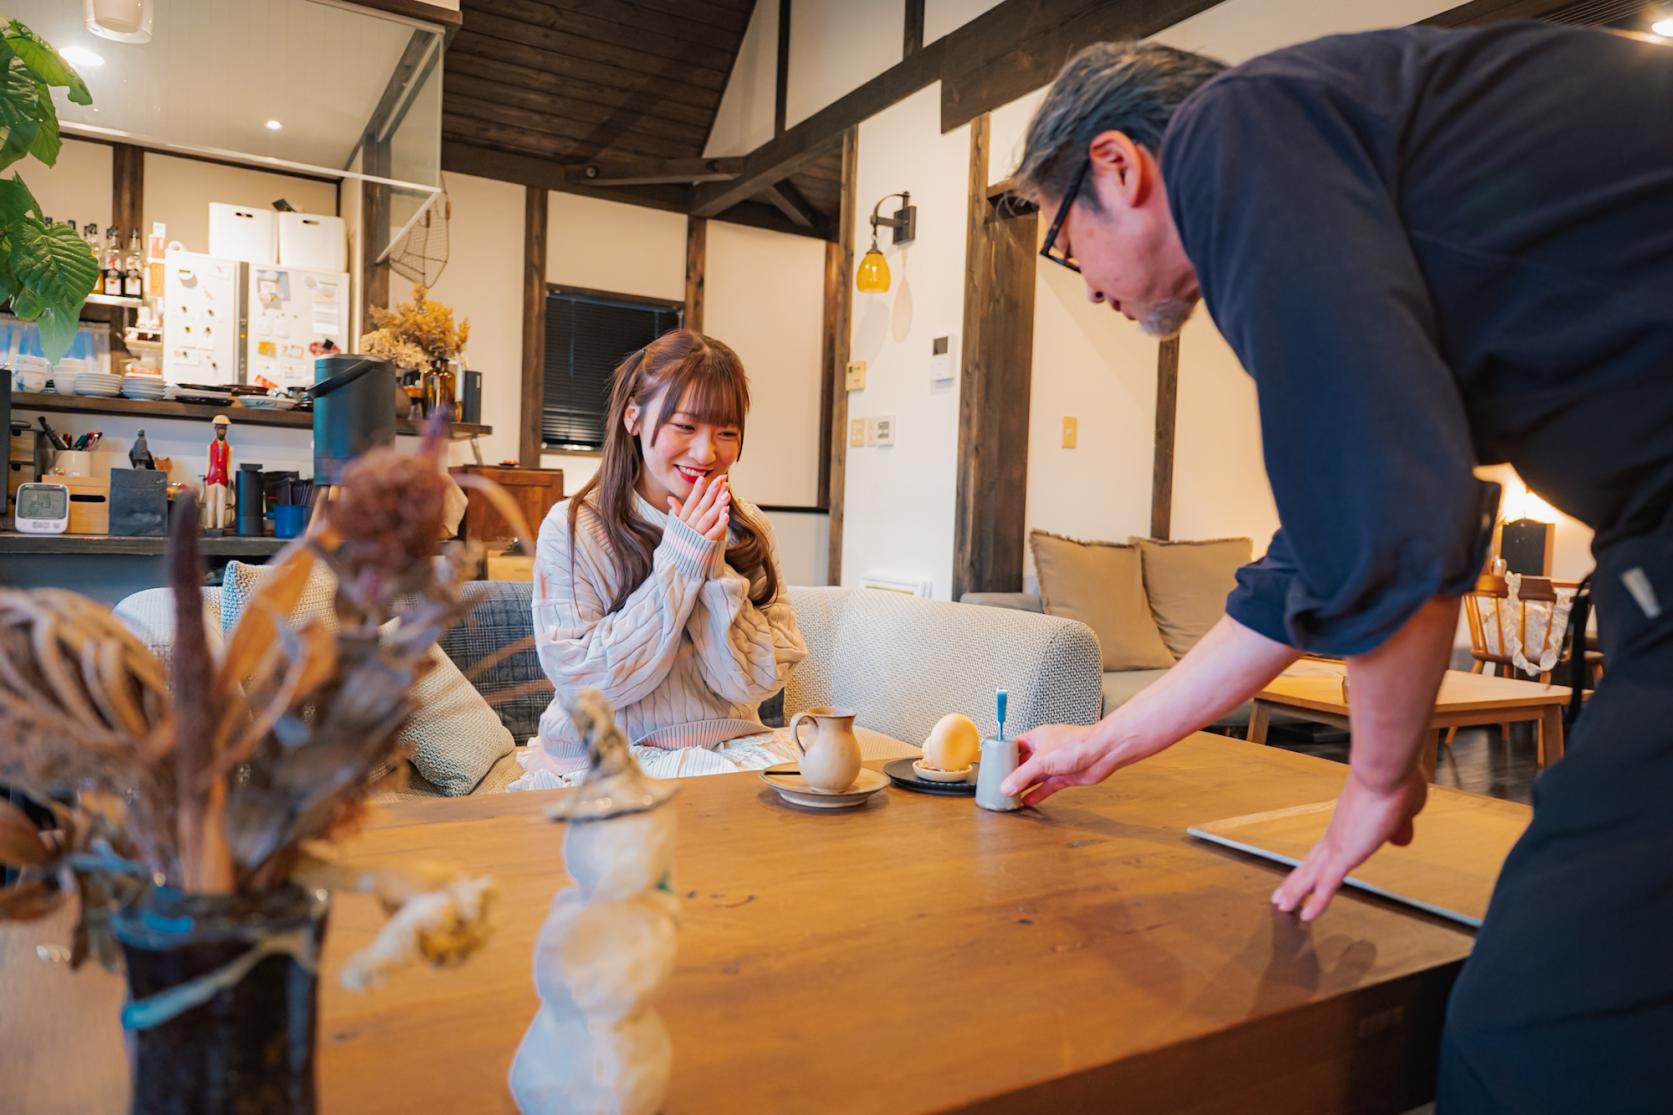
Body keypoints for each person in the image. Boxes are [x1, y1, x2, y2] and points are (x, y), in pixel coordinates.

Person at [997, 23, 1672, 1110]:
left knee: (1535, 1034)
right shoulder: (1330, 134)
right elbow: (1321, 553)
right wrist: (1102, 741)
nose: (1084, 288)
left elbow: (1388, 517)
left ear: (1116, 166)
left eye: (1063, 242)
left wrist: (1375, 773)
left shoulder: (1235, 130)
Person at [512, 330, 807, 790]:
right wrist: (681, 558)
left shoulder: (750, 527)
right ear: (633, 418)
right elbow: (587, 685)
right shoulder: (572, 528)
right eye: (685, 427)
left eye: (726, 433)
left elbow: (758, 680)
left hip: (731, 747)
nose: (706, 453)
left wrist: (709, 561)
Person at [204, 414, 232, 531]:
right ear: (215, 429)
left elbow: (229, 464)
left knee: (221, 503)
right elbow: (208, 462)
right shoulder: (210, 446)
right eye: (219, 427)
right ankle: (210, 524)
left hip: (223, 478)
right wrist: (206, 475)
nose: (222, 431)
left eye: (224, 428)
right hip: (212, 477)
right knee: (210, 502)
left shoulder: (229, 448)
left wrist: (229, 477)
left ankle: (220, 525)